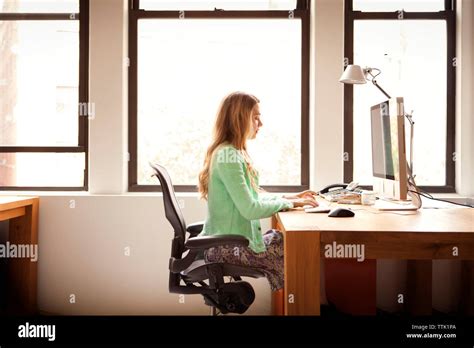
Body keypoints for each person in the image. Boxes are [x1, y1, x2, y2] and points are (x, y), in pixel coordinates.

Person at [197, 91, 318, 292]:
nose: (260, 124)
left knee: (284, 241)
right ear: (239, 119)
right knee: (297, 249)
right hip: (226, 248)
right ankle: (299, 304)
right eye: (255, 117)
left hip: (227, 244)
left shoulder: (231, 152)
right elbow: (250, 209)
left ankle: (296, 301)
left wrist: (289, 198)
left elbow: (252, 196)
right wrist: (290, 205)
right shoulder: (228, 156)